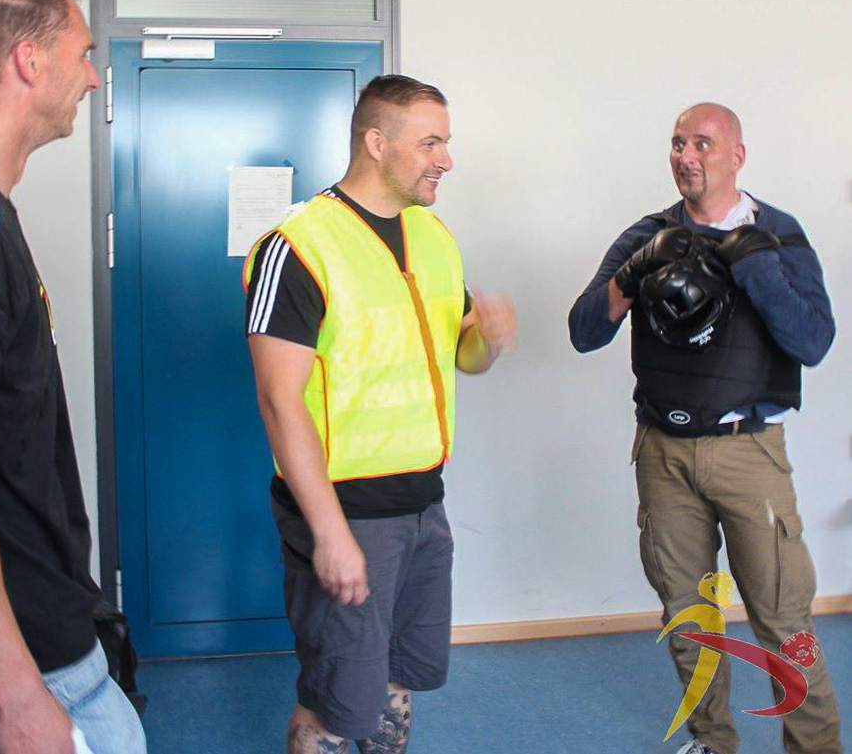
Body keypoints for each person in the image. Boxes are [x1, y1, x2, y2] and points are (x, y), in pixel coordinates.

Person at [245, 74, 516, 754]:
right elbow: (279, 401)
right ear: (376, 142)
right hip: (346, 512)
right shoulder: (297, 245)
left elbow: (460, 356)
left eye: (445, 142)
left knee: (399, 678)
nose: (446, 159)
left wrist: (488, 341)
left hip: (424, 504)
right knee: (335, 699)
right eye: (431, 143)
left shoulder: (434, 235)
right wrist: (329, 531)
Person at [568, 103, 841, 754]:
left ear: (736, 156)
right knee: (687, 614)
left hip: (749, 453)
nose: (687, 156)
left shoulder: (778, 233)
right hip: (662, 453)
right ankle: (712, 740)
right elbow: (583, 330)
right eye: (677, 143)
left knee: (783, 617)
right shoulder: (649, 233)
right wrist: (630, 276)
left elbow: (813, 341)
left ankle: (816, 747)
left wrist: (757, 265)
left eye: (703, 143)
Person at [0, 0, 146, 754]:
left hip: (44, 630)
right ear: (28, 60)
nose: (95, 76)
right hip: (26, 658)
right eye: (84, 53)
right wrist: (17, 691)